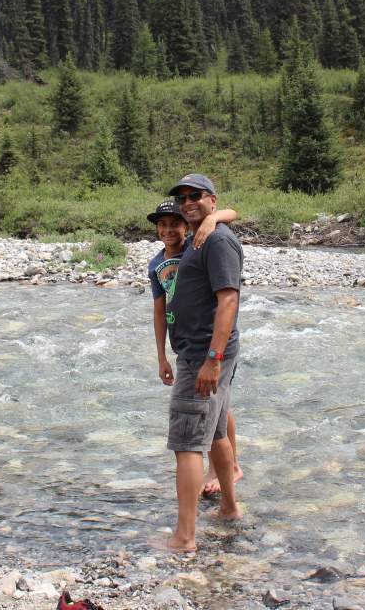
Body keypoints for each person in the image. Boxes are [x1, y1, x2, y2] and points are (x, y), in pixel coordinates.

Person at [161, 173, 244, 551]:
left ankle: (185, 537)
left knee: (187, 443)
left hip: (202, 355)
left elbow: (229, 300)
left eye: (195, 196)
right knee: (216, 433)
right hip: (202, 351)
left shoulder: (217, 240)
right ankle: (229, 508)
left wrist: (212, 359)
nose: (187, 202)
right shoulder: (202, 235)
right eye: (182, 198)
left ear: (212, 199)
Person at [147, 200, 244, 498]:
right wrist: (162, 356)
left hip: (209, 342)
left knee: (217, 406)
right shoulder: (155, 265)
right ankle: (227, 472)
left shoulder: (197, 244)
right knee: (218, 405)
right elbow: (159, 310)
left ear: (186, 226)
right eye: (162, 225)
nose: (168, 230)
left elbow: (232, 212)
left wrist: (211, 220)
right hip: (185, 343)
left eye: (174, 224)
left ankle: (228, 467)